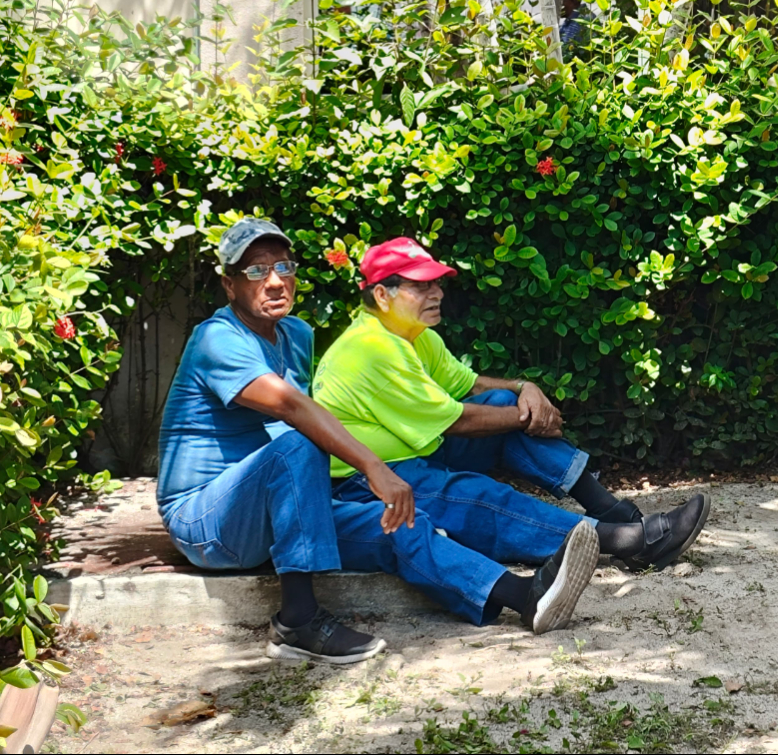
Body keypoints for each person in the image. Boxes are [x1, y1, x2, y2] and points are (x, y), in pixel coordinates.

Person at [157, 219, 601, 665]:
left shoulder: (296, 335)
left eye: (284, 267)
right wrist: (374, 468)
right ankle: (297, 621)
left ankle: (523, 596)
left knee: (397, 522)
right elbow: (293, 410)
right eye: (255, 271)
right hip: (206, 520)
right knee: (300, 445)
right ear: (229, 285)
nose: (274, 281)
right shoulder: (216, 338)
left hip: (277, 502)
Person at [311, 238, 711, 599]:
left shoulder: (414, 334)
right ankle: (629, 540)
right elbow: (456, 422)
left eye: (436, 283)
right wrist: (525, 416)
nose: (437, 293)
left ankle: (612, 511)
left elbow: (469, 385)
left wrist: (523, 390)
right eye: (421, 286)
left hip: (417, 455)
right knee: (480, 495)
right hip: (371, 482)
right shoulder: (370, 349)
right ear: (382, 294)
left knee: (501, 401)